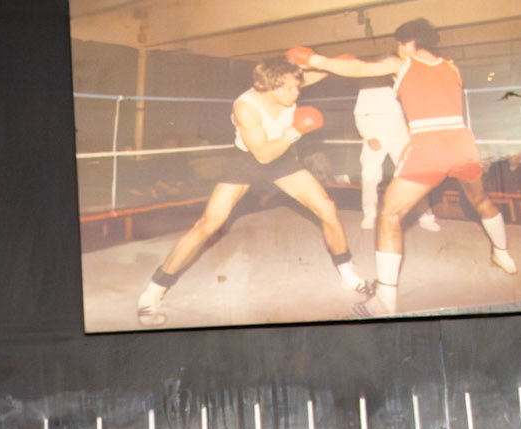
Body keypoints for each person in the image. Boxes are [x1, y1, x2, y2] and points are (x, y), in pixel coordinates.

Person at [290, 21, 516, 316]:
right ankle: (503, 255)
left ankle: (385, 300)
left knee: (390, 214)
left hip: (429, 145)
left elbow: (359, 69)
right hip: (462, 144)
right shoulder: (452, 67)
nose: (397, 49)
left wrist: (314, 59)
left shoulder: (403, 63)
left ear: (407, 43)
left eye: (399, 44)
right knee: (481, 200)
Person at [136, 56, 369, 327]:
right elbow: (262, 154)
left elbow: (329, 70)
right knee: (208, 224)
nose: (296, 93)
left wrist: (327, 60)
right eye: (289, 88)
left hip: (283, 158)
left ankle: (347, 274)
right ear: (269, 86)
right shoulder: (246, 108)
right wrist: (296, 130)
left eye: (297, 86)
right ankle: (153, 292)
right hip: (250, 160)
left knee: (326, 207)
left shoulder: (288, 84)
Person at [353, 81, 439, 235]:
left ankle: (426, 216)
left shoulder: (402, 83)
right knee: (369, 176)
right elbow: (358, 114)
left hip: (400, 137)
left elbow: (413, 110)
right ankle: (370, 215)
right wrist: (368, 136)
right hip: (375, 138)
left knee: (413, 175)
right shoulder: (367, 87)